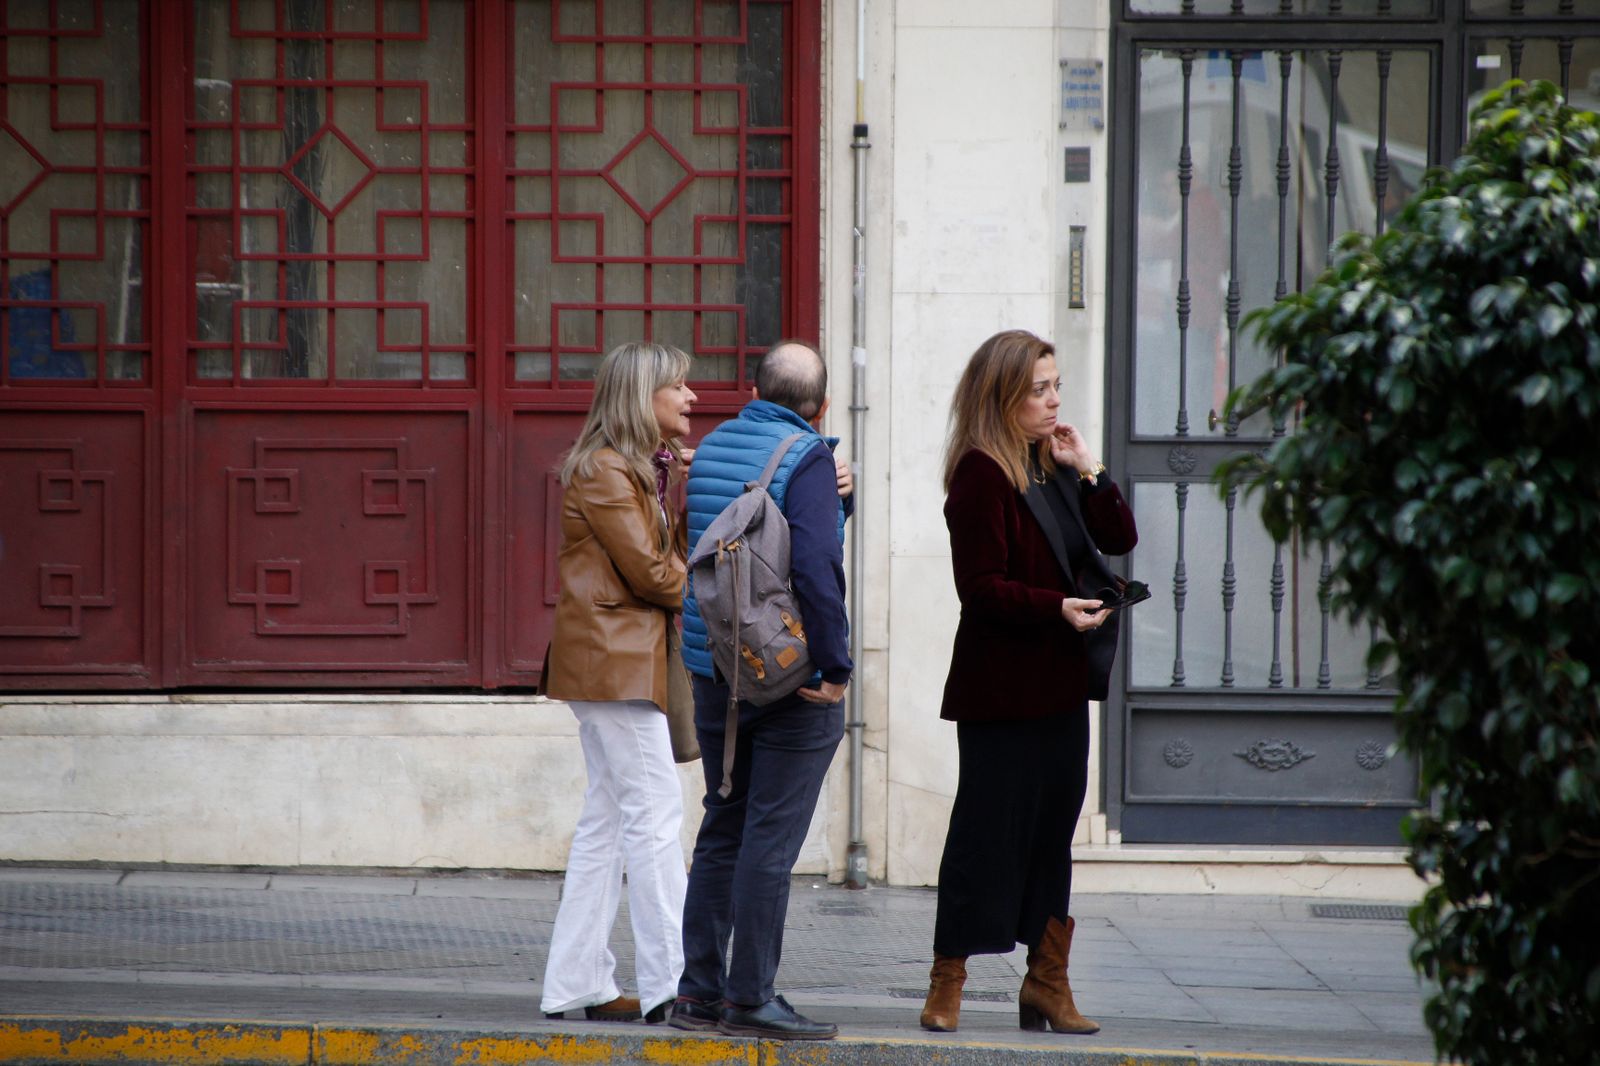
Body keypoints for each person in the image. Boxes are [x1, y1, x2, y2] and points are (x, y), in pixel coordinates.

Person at [919, 329, 1138, 1036]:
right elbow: (980, 590)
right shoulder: (979, 475)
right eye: (1038, 390)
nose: (1052, 402)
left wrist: (1089, 468)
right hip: (1000, 691)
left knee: (1051, 836)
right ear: (1003, 396)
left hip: (1059, 686)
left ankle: (1047, 982)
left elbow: (1118, 537)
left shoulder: (1053, 462)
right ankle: (947, 978)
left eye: (1056, 387)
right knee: (984, 835)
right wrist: (1056, 608)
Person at [667, 340, 853, 1041]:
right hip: (782, 678)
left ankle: (698, 994)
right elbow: (814, 564)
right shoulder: (806, 457)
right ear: (821, 406)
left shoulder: (713, 446)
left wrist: (843, 497)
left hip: (714, 667)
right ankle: (752, 999)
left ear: (756, 388)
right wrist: (835, 669)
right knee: (768, 841)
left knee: (723, 827)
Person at [539, 341, 698, 1025]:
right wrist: (712, 590)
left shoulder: (633, 469)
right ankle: (673, 983)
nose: (691, 398)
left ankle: (577, 984)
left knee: (606, 823)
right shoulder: (606, 470)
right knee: (656, 818)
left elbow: (659, 558)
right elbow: (656, 575)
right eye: (679, 387)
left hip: (616, 661)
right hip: (615, 663)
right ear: (643, 397)